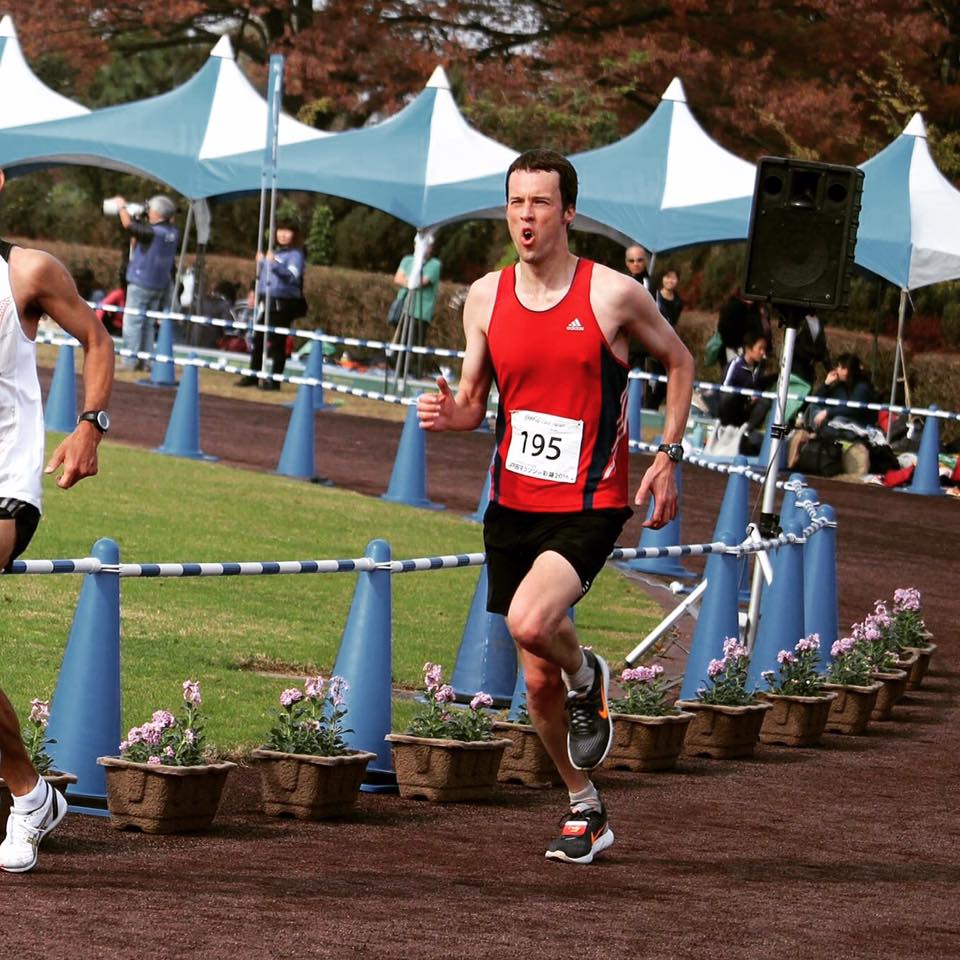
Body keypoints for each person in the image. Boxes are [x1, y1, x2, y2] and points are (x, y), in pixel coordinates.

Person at [417, 149, 693, 865]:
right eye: (516, 202)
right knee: (536, 675)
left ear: (568, 212)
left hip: (589, 500)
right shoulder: (485, 296)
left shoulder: (613, 295)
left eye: (541, 202)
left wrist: (668, 454)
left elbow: (680, 360)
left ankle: (589, 674)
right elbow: (474, 401)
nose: (527, 216)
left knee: (531, 621)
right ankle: (584, 805)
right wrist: (453, 415)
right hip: (512, 501)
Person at [0, 168, 115, 873]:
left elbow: (97, 341)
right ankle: (30, 793)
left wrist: (89, 427)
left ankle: (28, 795)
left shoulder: (27, 273)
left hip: (7, 486)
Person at [106, 194, 179, 371]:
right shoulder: (173, 233)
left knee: (133, 322)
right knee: (147, 324)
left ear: (158, 213)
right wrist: (139, 218)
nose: (148, 212)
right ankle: (147, 361)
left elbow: (128, 226)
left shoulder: (153, 232)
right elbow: (141, 233)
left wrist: (122, 207)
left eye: (150, 209)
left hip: (141, 283)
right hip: (159, 285)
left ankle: (130, 361)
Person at [237, 221, 306, 390]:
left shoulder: (296, 255)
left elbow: (292, 276)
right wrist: (254, 289)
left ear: (294, 235)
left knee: (277, 342)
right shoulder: (274, 252)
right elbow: (262, 276)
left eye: (287, 231)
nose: (283, 235)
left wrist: (273, 264)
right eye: (280, 231)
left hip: (283, 304)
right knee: (258, 339)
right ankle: (253, 375)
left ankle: (275, 381)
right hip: (266, 301)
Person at [646, 268, 684, 408]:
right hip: (651, 344)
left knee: (664, 383)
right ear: (662, 279)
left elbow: (674, 323)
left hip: (668, 345)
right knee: (651, 379)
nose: (670, 281)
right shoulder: (654, 296)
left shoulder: (678, 302)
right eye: (667, 277)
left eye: (673, 278)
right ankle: (647, 408)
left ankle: (652, 408)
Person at [792, 311, 831, 389]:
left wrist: (829, 369)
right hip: (797, 365)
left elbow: (822, 345)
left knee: (808, 390)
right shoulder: (798, 319)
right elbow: (795, 343)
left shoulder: (819, 321)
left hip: (810, 368)